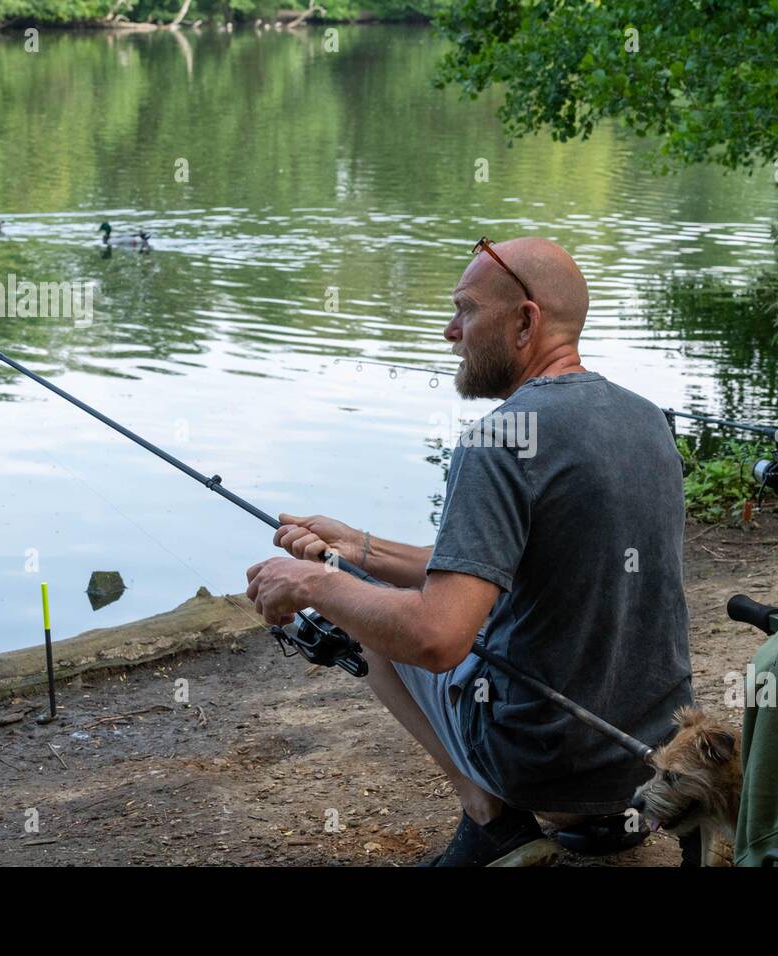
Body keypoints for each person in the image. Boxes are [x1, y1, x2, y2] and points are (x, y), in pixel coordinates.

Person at [246, 237, 692, 865]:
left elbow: (436, 636)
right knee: (372, 590)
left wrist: (313, 584)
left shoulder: (499, 441)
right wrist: (357, 548)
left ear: (524, 321)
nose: (450, 332)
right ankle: (598, 823)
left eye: (465, 310)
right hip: (652, 751)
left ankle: (492, 818)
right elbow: (499, 564)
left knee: (367, 623)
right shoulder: (646, 418)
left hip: (548, 759)